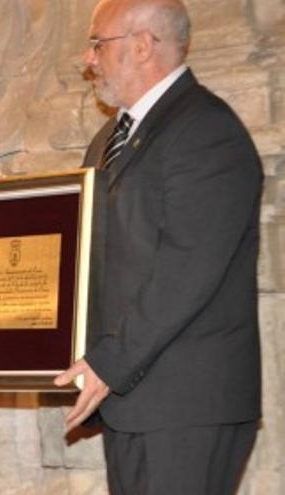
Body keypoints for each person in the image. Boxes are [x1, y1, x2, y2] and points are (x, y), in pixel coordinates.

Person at [54, 1, 263, 494]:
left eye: (97, 44)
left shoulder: (207, 131)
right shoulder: (110, 138)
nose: (89, 59)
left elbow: (186, 270)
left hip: (186, 402)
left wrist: (110, 361)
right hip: (131, 397)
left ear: (142, 45)